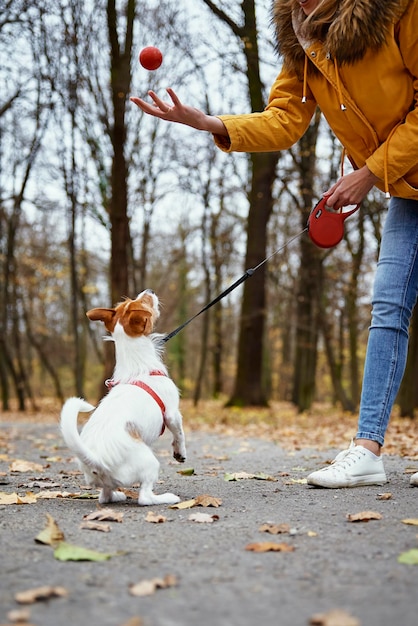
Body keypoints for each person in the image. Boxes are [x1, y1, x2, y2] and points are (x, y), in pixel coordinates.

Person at [131, 0, 418, 488]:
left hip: (392, 173)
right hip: (410, 189)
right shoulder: (301, 34)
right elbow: (286, 118)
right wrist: (210, 123)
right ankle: (368, 448)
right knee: (387, 307)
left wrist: (370, 172)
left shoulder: (396, 9)